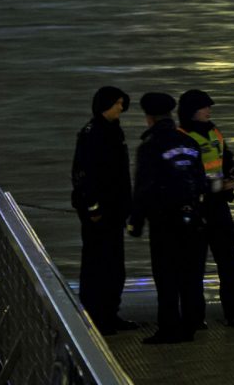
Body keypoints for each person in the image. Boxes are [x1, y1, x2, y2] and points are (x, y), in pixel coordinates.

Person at [128, 92, 208, 345]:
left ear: (149, 117)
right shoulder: (189, 142)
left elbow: (144, 187)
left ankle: (169, 328)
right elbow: (200, 181)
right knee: (189, 273)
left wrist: (136, 222)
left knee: (166, 276)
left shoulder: (150, 146)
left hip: (163, 220)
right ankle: (191, 324)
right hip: (192, 217)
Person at [178, 89, 234, 327]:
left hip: (219, 206)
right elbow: (185, 176)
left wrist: (232, 175)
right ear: (192, 111)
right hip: (197, 209)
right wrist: (215, 185)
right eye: (204, 107)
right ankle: (194, 318)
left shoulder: (214, 132)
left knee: (230, 263)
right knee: (193, 267)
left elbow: (225, 159)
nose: (209, 111)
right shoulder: (182, 136)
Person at [71, 86, 137, 336]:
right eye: (118, 103)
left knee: (114, 266)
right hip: (99, 215)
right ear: (105, 105)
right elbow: (83, 175)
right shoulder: (93, 133)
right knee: (96, 265)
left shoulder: (112, 130)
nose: (121, 108)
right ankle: (94, 316)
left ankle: (110, 314)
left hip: (115, 211)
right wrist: (93, 208)